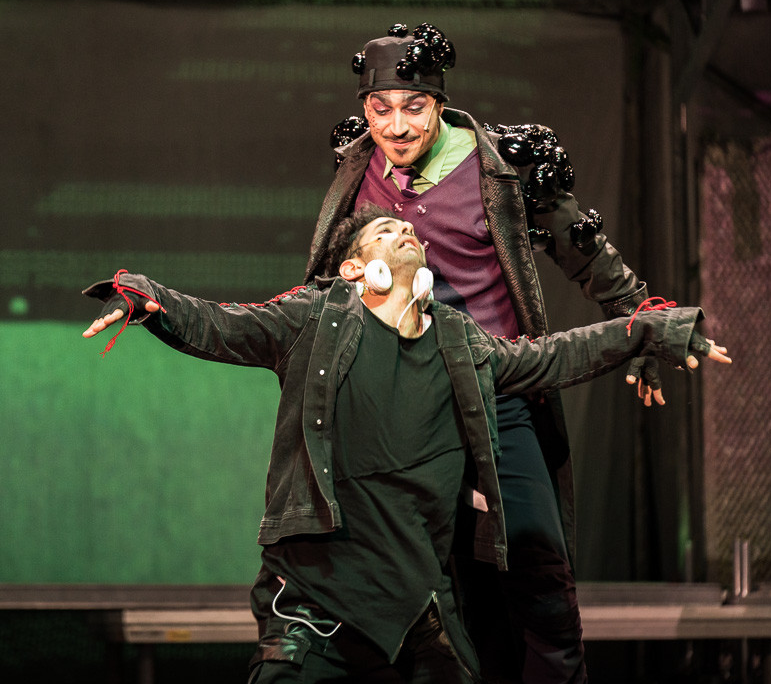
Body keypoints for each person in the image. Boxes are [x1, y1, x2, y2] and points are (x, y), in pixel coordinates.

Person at [83, 206, 730, 684]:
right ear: (354, 268)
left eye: (410, 231)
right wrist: (146, 297)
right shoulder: (312, 317)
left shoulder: (459, 340)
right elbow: (222, 325)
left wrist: (657, 329)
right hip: (317, 604)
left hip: (419, 610)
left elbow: (555, 355)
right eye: (386, 232)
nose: (406, 233)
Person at [306, 23, 667, 683]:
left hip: (502, 396)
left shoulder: (501, 167)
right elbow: (332, 280)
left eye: (413, 107)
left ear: (440, 102)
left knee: (538, 577)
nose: (396, 126)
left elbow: (587, 254)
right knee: (447, 596)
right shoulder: (356, 168)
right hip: (409, 413)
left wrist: (643, 325)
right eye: (381, 109)